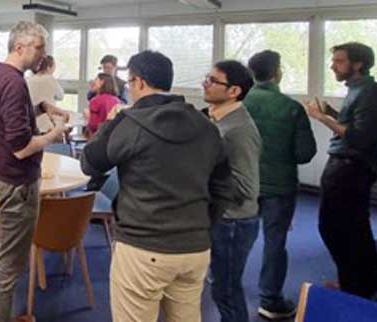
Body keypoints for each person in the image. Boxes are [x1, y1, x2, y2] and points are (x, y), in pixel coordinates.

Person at [80, 50, 233, 322]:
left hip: (143, 247)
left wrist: (112, 122)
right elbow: (223, 188)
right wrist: (202, 225)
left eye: (130, 83)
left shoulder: (129, 124)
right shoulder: (207, 126)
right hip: (195, 247)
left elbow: (90, 163)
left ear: (138, 82)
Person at [0, 21, 67, 322]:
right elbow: (20, 147)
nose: (44, 55)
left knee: (8, 257)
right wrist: (53, 134)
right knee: (9, 264)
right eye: (39, 48)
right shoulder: (15, 82)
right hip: (17, 183)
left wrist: (43, 109)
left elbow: (13, 118)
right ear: (20, 47)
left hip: (3, 177)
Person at [304, 42, 377, 299]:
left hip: (351, 170)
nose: (333, 66)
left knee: (345, 229)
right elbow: (352, 123)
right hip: (344, 167)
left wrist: (321, 118)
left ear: (358, 64)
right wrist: (331, 113)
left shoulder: (371, 93)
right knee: (341, 228)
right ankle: (352, 284)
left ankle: (359, 289)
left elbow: (359, 137)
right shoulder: (358, 90)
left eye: (339, 61)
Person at [243, 50, 317, 320]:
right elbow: (305, 153)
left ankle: (220, 279)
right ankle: (271, 300)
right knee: (275, 242)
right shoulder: (291, 108)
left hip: (243, 184)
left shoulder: (239, 104)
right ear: (277, 72)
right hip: (279, 187)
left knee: (235, 235)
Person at [203, 60, 262, 322]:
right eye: (207, 78)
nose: (205, 84)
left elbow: (246, 188)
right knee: (221, 286)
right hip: (223, 218)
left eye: (213, 81)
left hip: (233, 222)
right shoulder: (218, 119)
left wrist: (198, 178)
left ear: (234, 91)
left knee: (226, 290)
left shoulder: (238, 130)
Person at [25, 55, 70, 125]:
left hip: (32, 121)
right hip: (48, 120)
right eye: (54, 67)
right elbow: (60, 96)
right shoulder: (50, 79)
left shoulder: (28, 80)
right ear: (48, 67)